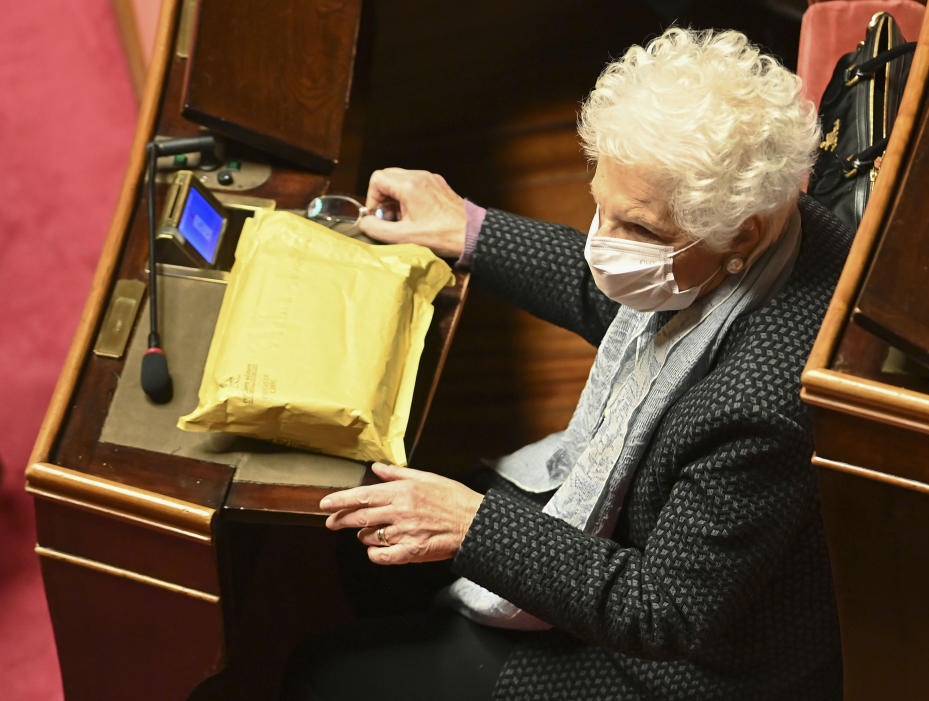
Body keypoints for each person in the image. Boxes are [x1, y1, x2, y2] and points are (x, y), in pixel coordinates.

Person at [284, 27, 852, 700]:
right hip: (664, 541)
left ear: (742, 231)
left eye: (635, 227)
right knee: (372, 563)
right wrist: (468, 229)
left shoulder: (761, 403)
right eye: (598, 206)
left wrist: (471, 524)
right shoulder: (765, 210)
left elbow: (664, 610)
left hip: (690, 667)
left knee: (321, 676)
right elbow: (621, 293)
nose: (601, 243)